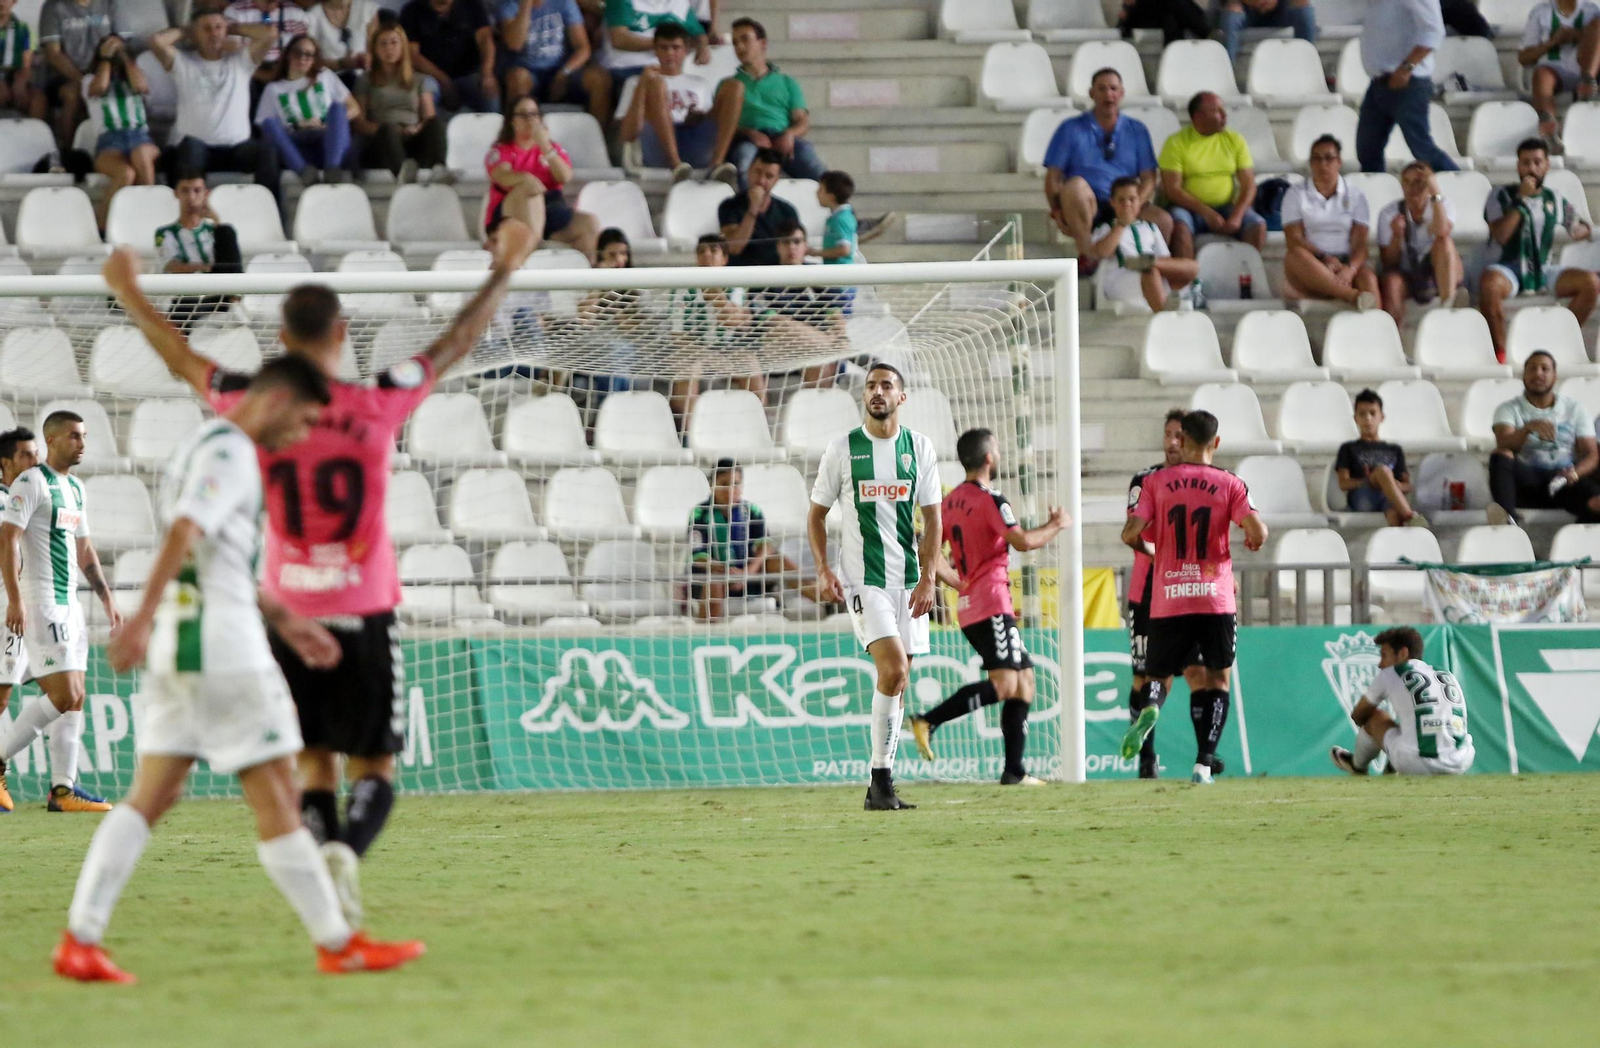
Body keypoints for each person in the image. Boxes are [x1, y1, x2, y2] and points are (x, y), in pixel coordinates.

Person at [99, 217, 538, 932]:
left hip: (285, 611)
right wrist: (506, 267)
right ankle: (347, 854)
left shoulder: (251, 403)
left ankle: (323, 849)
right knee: (375, 769)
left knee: (311, 765)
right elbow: (457, 340)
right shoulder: (378, 401)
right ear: (341, 336)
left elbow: (180, 356)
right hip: (364, 609)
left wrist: (128, 290)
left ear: (280, 340)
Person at [50, 355, 428, 985]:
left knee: (153, 795)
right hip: (222, 650)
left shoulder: (203, 444)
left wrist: (285, 617)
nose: (303, 436)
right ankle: (338, 942)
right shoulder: (230, 452)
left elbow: (213, 555)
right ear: (278, 401)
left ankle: (80, 939)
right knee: (279, 794)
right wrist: (137, 618)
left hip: (186, 642)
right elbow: (184, 530)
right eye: (305, 420)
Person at [807, 362, 941, 811]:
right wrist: (825, 569)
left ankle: (880, 786)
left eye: (887, 386)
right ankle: (880, 780)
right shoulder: (843, 449)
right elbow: (816, 515)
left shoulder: (919, 448)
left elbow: (934, 519)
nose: (877, 392)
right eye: (871, 386)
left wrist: (928, 578)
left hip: (908, 583)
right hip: (865, 580)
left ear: (901, 397)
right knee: (894, 671)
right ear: (864, 396)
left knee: (901, 681)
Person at [907, 428, 1069, 786]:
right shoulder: (991, 499)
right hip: (992, 603)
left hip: (971, 605)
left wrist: (957, 582)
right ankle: (928, 720)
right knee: (1006, 683)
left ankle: (1014, 771)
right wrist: (1056, 525)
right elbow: (1022, 542)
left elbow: (927, 551)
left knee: (1025, 681)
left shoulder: (948, 503)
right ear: (989, 458)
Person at [1120, 409, 1268, 785]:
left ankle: (1152, 705)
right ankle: (1203, 763)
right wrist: (1251, 539)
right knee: (1216, 678)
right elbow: (1258, 531)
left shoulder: (1157, 482)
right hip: (1213, 596)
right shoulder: (1231, 483)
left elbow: (1130, 532)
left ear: (1182, 440)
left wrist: (1153, 549)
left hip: (1168, 597)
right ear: (1216, 443)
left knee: (1156, 675)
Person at [0, 410, 121, 812]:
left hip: (70, 604)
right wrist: (16, 599)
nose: (82, 443)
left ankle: (63, 790)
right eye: (74, 436)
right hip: (42, 601)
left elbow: (85, 550)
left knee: (78, 696)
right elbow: (8, 539)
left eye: (84, 436)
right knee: (63, 692)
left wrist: (105, 596)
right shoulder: (31, 482)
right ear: (52, 441)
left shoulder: (77, 489)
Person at [1121, 411, 1209, 780]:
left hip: (1190, 594)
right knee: (1144, 678)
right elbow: (1132, 530)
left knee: (1198, 674)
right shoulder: (1145, 479)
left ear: (1191, 441)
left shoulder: (1204, 483)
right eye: (1168, 435)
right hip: (1148, 592)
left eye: (1180, 436)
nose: (1173, 442)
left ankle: (1206, 753)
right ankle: (1147, 759)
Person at [1044, 67, 1181, 272]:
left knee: (1164, 219)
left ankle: (1155, 271)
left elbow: (1149, 178)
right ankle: (1087, 255)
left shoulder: (1137, 129)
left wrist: (1134, 205)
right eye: (1102, 89)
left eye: (1113, 88)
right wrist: (1056, 210)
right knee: (1074, 187)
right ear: (1092, 94)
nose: (1108, 94)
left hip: (1125, 199)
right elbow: (1053, 176)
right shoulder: (1070, 128)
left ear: (1121, 93)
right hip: (1089, 202)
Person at [150, 13, 284, 220]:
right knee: (187, 150)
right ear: (195, 34)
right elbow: (156, 42)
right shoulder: (182, 63)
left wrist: (233, 28)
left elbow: (270, 33)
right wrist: (186, 31)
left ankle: (270, 218)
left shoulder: (241, 61)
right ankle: (186, 221)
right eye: (207, 29)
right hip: (197, 149)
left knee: (267, 152)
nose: (213, 33)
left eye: (218, 27)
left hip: (237, 148)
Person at [1481, 138, 1598, 363]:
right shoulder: (1500, 195)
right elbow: (1502, 235)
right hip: (1509, 268)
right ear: (1518, 166)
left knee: (1590, 283)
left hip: (1543, 268)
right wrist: (1521, 199)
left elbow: (1579, 228)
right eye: (1525, 163)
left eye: (1537, 162)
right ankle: (1503, 354)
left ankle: (1559, 341)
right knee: (1489, 284)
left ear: (1547, 166)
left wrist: (1581, 230)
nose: (1531, 168)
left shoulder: (1553, 198)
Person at [1331, 627, 1474, 776]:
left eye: (1384, 655)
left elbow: (1358, 715)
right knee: (1412, 728)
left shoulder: (1391, 673)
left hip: (1416, 761)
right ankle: (1392, 766)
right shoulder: (1446, 674)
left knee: (1376, 717)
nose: (1380, 664)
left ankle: (1357, 766)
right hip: (1461, 759)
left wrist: (1385, 726)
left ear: (1403, 653)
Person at [689, 458, 819, 621]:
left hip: (749, 577)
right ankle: (707, 634)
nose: (730, 490)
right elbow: (699, 558)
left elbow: (766, 546)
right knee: (713, 581)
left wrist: (748, 572)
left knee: (777, 561)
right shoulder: (699, 514)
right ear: (712, 484)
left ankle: (829, 602)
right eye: (723, 484)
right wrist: (727, 572)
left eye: (735, 484)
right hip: (716, 579)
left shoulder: (752, 511)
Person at [1489, 351, 1600, 524]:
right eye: (1532, 369)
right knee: (1501, 454)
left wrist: (1575, 474)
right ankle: (1508, 522)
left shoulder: (1575, 409)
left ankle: (1573, 543)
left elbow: (1592, 455)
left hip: (1564, 481)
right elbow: (1503, 443)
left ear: (1555, 376)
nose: (1538, 373)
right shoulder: (1508, 409)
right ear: (1524, 376)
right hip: (1527, 483)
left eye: (1544, 369)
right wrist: (1527, 429)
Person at [714, 17, 825, 188]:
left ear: (763, 43)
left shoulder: (787, 82)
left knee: (819, 172)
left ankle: (847, 214)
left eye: (745, 39)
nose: (739, 47)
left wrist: (790, 134)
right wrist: (748, 133)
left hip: (782, 138)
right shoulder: (728, 85)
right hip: (747, 140)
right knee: (743, 163)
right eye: (735, 43)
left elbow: (802, 121)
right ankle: (748, 211)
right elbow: (720, 125)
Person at [484, 97, 600, 259]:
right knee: (530, 189)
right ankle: (532, 256)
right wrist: (526, 178)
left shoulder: (552, 148)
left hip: (551, 210)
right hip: (511, 214)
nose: (530, 120)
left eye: (534, 114)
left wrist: (545, 146)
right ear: (512, 120)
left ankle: (586, 280)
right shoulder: (501, 150)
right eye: (523, 115)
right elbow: (501, 175)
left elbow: (565, 176)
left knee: (589, 223)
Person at [616, 22, 731, 181]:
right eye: (664, 48)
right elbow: (627, 134)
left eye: (675, 48)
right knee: (657, 84)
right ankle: (675, 164)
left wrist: (699, 117)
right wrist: (643, 86)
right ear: (655, 50)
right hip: (657, 146)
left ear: (685, 51)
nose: (670, 53)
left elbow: (712, 124)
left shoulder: (700, 84)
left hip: (693, 140)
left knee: (734, 87)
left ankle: (717, 164)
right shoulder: (636, 82)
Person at [666, 233, 760, 425]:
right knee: (689, 366)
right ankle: (689, 437)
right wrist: (704, 355)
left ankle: (759, 429)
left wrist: (715, 295)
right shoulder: (682, 287)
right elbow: (677, 337)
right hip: (692, 352)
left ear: (725, 259)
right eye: (701, 251)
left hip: (728, 352)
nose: (706, 255)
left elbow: (734, 322)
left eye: (713, 250)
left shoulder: (736, 284)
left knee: (750, 364)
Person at [1354, 0, 1458, 175]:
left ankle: (1459, 183)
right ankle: (1375, 195)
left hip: (1408, 82)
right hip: (1379, 81)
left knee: (1422, 147)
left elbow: (1434, 30)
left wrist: (1407, 67)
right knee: (1367, 148)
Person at [1281, 134, 1379, 310]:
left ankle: (1379, 330)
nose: (1322, 164)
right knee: (1295, 255)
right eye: (1316, 159)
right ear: (1311, 163)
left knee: (1368, 279)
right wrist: (1323, 258)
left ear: (1339, 162)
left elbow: (1360, 243)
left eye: (1329, 158)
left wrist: (1350, 268)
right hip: (1313, 263)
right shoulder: (1295, 193)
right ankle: (1353, 296)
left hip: (1345, 262)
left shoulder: (1356, 195)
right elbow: (1293, 239)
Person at [1159, 91, 1266, 251]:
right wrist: (1207, 213)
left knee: (1257, 226)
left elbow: (1249, 184)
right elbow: (1173, 190)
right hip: (1189, 209)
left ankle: (1245, 273)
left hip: (1227, 207)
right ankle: (1188, 276)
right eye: (1217, 111)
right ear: (1198, 116)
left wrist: (1237, 216)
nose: (1224, 115)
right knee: (1180, 229)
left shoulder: (1235, 139)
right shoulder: (1175, 142)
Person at [255, 34, 359, 183]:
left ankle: (332, 170)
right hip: (296, 143)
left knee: (337, 108)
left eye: (309, 55)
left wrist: (330, 124)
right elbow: (264, 127)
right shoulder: (273, 88)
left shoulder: (325, 75)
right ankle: (304, 172)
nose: (303, 58)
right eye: (298, 52)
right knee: (269, 123)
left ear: (314, 59)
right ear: (288, 54)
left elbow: (354, 108)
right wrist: (298, 124)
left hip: (328, 140)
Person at [1089, 175, 1201, 312]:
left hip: (1155, 277)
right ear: (1113, 202)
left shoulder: (1151, 228)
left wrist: (1156, 264)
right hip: (1120, 280)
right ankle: (1163, 313)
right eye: (1121, 200)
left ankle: (1147, 263)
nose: (1127, 204)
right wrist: (1122, 224)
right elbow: (1101, 252)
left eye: (1132, 199)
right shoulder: (1105, 229)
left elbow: (1166, 260)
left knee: (1192, 266)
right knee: (1150, 272)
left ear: (1139, 201)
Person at [758, 218, 846, 390]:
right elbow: (771, 322)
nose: (792, 247)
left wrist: (841, 338)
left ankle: (816, 412)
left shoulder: (818, 277)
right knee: (779, 325)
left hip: (814, 351)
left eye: (797, 242)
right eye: (786, 242)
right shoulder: (764, 278)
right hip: (776, 349)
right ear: (778, 246)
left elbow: (835, 314)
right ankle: (829, 348)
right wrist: (829, 344)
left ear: (805, 246)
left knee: (818, 358)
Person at [354, 22, 448, 182]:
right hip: (383, 140)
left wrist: (415, 129)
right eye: (383, 44)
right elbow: (358, 122)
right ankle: (404, 174)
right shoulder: (365, 80)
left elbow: (428, 117)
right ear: (375, 49)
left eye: (393, 42)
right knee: (388, 131)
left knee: (436, 124)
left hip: (412, 136)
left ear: (402, 46)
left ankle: (439, 170)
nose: (389, 48)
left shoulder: (419, 79)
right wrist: (385, 130)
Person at [0, 426, 38, 814]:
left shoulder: (28, 495)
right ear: (4, 464)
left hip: (26, 605)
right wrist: (13, 598)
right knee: (2, 695)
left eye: (36, 453)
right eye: (26, 455)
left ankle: (64, 785)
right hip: (6, 606)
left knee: (62, 690)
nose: (35, 460)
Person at [83, 34, 158, 230]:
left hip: (139, 136)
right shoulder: (89, 79)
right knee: (125, 173)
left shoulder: (135, 76)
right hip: (110, 140)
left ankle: (148, 217)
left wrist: (125, 57)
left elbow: (141, 86)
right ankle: (102, 227)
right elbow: (99, 87)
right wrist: (106, 58)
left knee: (140, 155)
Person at [1377, 160, 1464, 326]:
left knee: (1444, 242)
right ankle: (1394, 339)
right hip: (1407, 273)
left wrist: (1435, 193)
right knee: (1392, 282)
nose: (1412, 188)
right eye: (1407, 182)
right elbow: (1388, 262)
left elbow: (1442, 231)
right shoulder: (1389, 213)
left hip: (1438, 270)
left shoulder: (1444, 204)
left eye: (1418, 182)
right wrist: (1397, 236)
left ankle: (1448, 308)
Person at [158, 170, 245, 332]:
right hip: (185, 294)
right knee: (183, 305)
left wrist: (215, 219)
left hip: (216, 292)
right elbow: (173, 267)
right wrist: (206, 267)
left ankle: (234, 300)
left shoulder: (216, 229)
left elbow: (227, 264)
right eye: (185, 190)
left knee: (227, 232)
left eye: (197, 191)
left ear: (206, 194)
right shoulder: (165, 232)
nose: (191, 197)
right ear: (176, 194)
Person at [598, 0, 708, 121]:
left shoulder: (679, 2)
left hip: (668, 70)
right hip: (625, 68)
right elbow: (619, 39)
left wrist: (703, 48)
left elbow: (698, 32)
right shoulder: (621, 2)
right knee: (658, 91)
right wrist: (662, 45)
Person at [1336, 388, 1427, 527]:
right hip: (1362, 499)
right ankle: (1411, 516)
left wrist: (1392, 485)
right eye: (1362, 414)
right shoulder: (1348, 448)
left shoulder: (1394, 449)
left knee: (1394, 513)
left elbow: (1407, 485)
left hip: (1388, 498)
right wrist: (1373, 481)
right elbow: (1343, 483)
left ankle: (1398, 547)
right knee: (1383, 471)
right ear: (1356, 418)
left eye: (1372, 413)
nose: (1368, 419)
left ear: (1381, 417)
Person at [1518, 0, 1600, 153]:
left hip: (1586, 66)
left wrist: (1577, 35)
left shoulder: (1592, 10)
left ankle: (1587, 82)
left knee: (1598, 25)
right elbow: (1524, 57)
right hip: (1554, 68)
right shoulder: (1540, 12)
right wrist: (1552, 42)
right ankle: (1549, 127)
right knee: (1541, 75)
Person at [37, 0, 117, 149]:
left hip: (103, 72)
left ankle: (109, 150)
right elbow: (54, 53)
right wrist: (83, 80)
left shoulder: (110, 4)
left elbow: (120, 41)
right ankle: (69, 152)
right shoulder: (53, 7)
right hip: (64, 76)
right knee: (72, 94)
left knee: (116, 90)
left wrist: (102, 73)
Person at [399, 0, 499, 113]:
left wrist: (487, 73)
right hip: (432, 78)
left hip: (470, 74)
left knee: (490, 90)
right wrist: (444, 80)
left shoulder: (473, 5)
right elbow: (413, 55)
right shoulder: (412, 11)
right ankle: (434, 128)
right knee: (424, 92)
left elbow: (485, 39)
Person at [717, 147, 797, 266]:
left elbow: (793, 249)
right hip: (741, 275)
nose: (761, 180)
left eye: (769, 176)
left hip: (776, 276)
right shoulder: (730, 206)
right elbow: (734, 247)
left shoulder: (787, 211)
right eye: (758, 172)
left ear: (776, 180)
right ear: (749, 170)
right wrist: (753, 208)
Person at [1217, 0, 1316, 64]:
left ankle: (1306, 64)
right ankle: (1227, 70)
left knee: (1303, 6)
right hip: (1247, 9)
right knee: (1231, 14)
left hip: (1280, 8)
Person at [222, 0, 311, 72]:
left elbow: (302, 51)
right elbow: (232, 56)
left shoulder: (296, 13)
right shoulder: (235, 11)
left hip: (284, 72)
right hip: (247, 73)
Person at [305, 0, 378, 82]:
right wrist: (341, 64)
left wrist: (367, 58)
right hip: (329, 80)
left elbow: (376, 48)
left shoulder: (367, 8)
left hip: (364, 78)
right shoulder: (313, 15)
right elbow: (311, 61)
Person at [0, 0, 44, 121]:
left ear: (14, 2)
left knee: (38, 100)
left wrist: (21, 82)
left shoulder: (23, 28)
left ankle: (34, 138)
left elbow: (26, 65)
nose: (2, 3)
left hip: (13, 75)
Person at [1117, 0, 1209, 44]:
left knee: (1170, 19)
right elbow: (1129, 5)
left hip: (1161, 15)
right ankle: (1206, 33)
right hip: (1137, 17)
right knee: (1173, 4)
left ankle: (1172, 57)